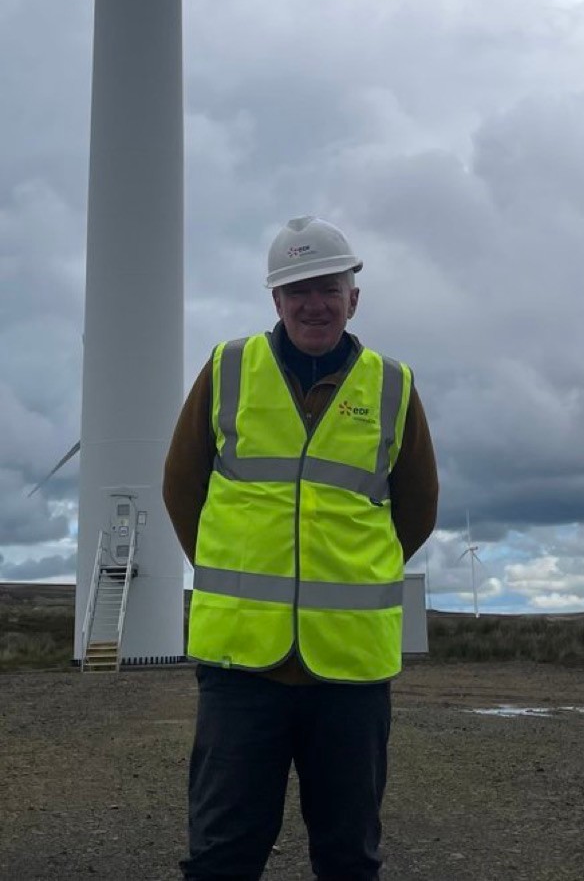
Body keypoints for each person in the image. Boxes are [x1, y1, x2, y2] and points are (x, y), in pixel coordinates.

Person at [163, 216, 439, 881]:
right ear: (275, 301)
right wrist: (235, 569)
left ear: (354, 296)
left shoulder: (393, 386)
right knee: (223, 854)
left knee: (348, 856)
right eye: (297, 291)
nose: (314, 304)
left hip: (348, 673)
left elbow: (417, 509)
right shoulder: (228, 370)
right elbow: (181, 488)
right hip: (241, 668)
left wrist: (350, 575)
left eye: (329, 288)